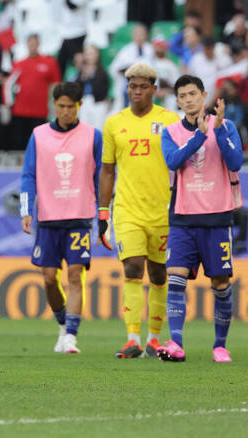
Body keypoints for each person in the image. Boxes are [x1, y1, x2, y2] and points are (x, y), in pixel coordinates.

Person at [157, 75, 243, 363]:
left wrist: (217, 130)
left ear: (204, 95)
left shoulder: (227, 126)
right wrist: (198, 136)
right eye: (182, 96)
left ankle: (220, 345)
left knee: (220, 283)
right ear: (178, 101)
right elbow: (172, 161)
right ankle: (176, 343)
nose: (188, 99)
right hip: (183, 217)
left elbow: (234, 162)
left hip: (217, 218)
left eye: (193, 93)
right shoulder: (170, 132)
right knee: (176, 278)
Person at [98, 63, 180, 359]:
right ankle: (132, 338)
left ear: (154, 89)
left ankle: (154, 338)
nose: (136, 91)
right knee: (132, 268)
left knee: (158, 274)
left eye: (143, 86)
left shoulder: (171, 120)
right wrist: (102, 211)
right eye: (132, 86)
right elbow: (107, 170)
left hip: (162, 210)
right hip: (127, 209)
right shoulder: (113, 123)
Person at [20, 82, 102, 354]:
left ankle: (72, 337)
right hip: (48, 216)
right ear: (54, 104)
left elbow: (101, 177)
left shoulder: (93, 136)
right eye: (61, 105)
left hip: (79, 216)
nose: (65, 111)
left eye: (71, 106)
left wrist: (103, 213)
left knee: (76, 275)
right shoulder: (38, 135)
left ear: (79, 106)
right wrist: (26, 209)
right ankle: (63, 324)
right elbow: (28, 174)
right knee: (48, 278)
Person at [4, 34, 61, 150]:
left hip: (40, 111)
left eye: (35, 43)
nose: (33, 46)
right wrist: (8, 105)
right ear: (27, 44)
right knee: (19, 143)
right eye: (30, 43)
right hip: (20, 111)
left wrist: (53, 105)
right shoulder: (18, 64)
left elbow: (55, 84)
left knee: (39, 143)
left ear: (39, 44)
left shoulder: (49, 63)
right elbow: (9, 85)